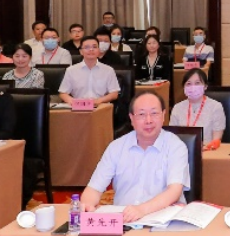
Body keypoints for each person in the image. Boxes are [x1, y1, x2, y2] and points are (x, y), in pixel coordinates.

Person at [81, 92, 190, 221]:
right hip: (125, 220)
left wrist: (141, 210)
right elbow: (94, 188)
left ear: (163, 115)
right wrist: (87, 204)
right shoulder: (116, 147)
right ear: (131, 118)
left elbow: (174, 191)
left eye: (154, 113)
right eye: (142, 114)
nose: (148, 120)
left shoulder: (176, 146)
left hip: (164, 220)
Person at [59, 37, 122, 105]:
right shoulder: (71, 70)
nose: (91, 50)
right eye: (87, 47)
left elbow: (114, 94)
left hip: (101, 107)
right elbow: (63, 93)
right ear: (81, 51)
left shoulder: (108, 70)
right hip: (78, 107)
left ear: (99, 50)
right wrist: (74, 102)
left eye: (94, 47)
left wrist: (98, 101)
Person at [170, 68, 226, 144]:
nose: (193, 87)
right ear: (184, 87)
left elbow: (216, 140)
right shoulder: (177, 108)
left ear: (205, 86)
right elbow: (172, 137)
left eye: (197, 83)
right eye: (188, 84)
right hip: (182, 149)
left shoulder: (215, 107)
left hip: (207, 149)